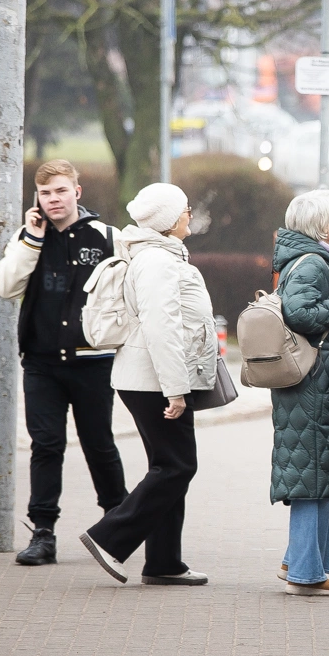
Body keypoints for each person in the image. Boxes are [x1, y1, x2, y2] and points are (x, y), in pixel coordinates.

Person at [78, 183, 217, 586]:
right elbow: (162, 328)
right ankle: (109, 538)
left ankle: (164, 562)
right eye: (186, 209)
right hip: (154, 380)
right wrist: (175, 389)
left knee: (168, 466)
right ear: (170, 220)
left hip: (151, 377)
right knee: (177, 466)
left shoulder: (161, 255)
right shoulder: (157, 261)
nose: (190, 214)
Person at [0, 159, 128, 566]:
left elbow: (126, 295)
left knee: (99, 444)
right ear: (37, 197)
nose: (53, 200)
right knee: (45, 446)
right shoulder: (27, 236)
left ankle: (119, 526)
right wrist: (31, 240)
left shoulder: (107, 237)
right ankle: (43, 534)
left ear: (77, 192)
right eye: (46, 193)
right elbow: (4, 286)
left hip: (92, 362)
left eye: (61, 191)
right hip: (41, 363)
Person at [270, 189, 329, 596]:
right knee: (317, 477)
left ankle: (301, 561)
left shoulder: (309, 260)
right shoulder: (312, 264)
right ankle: (307, 574)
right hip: (316, 388)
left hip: (319, 386)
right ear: (320, 225)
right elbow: (300, 313)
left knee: (327, 475)